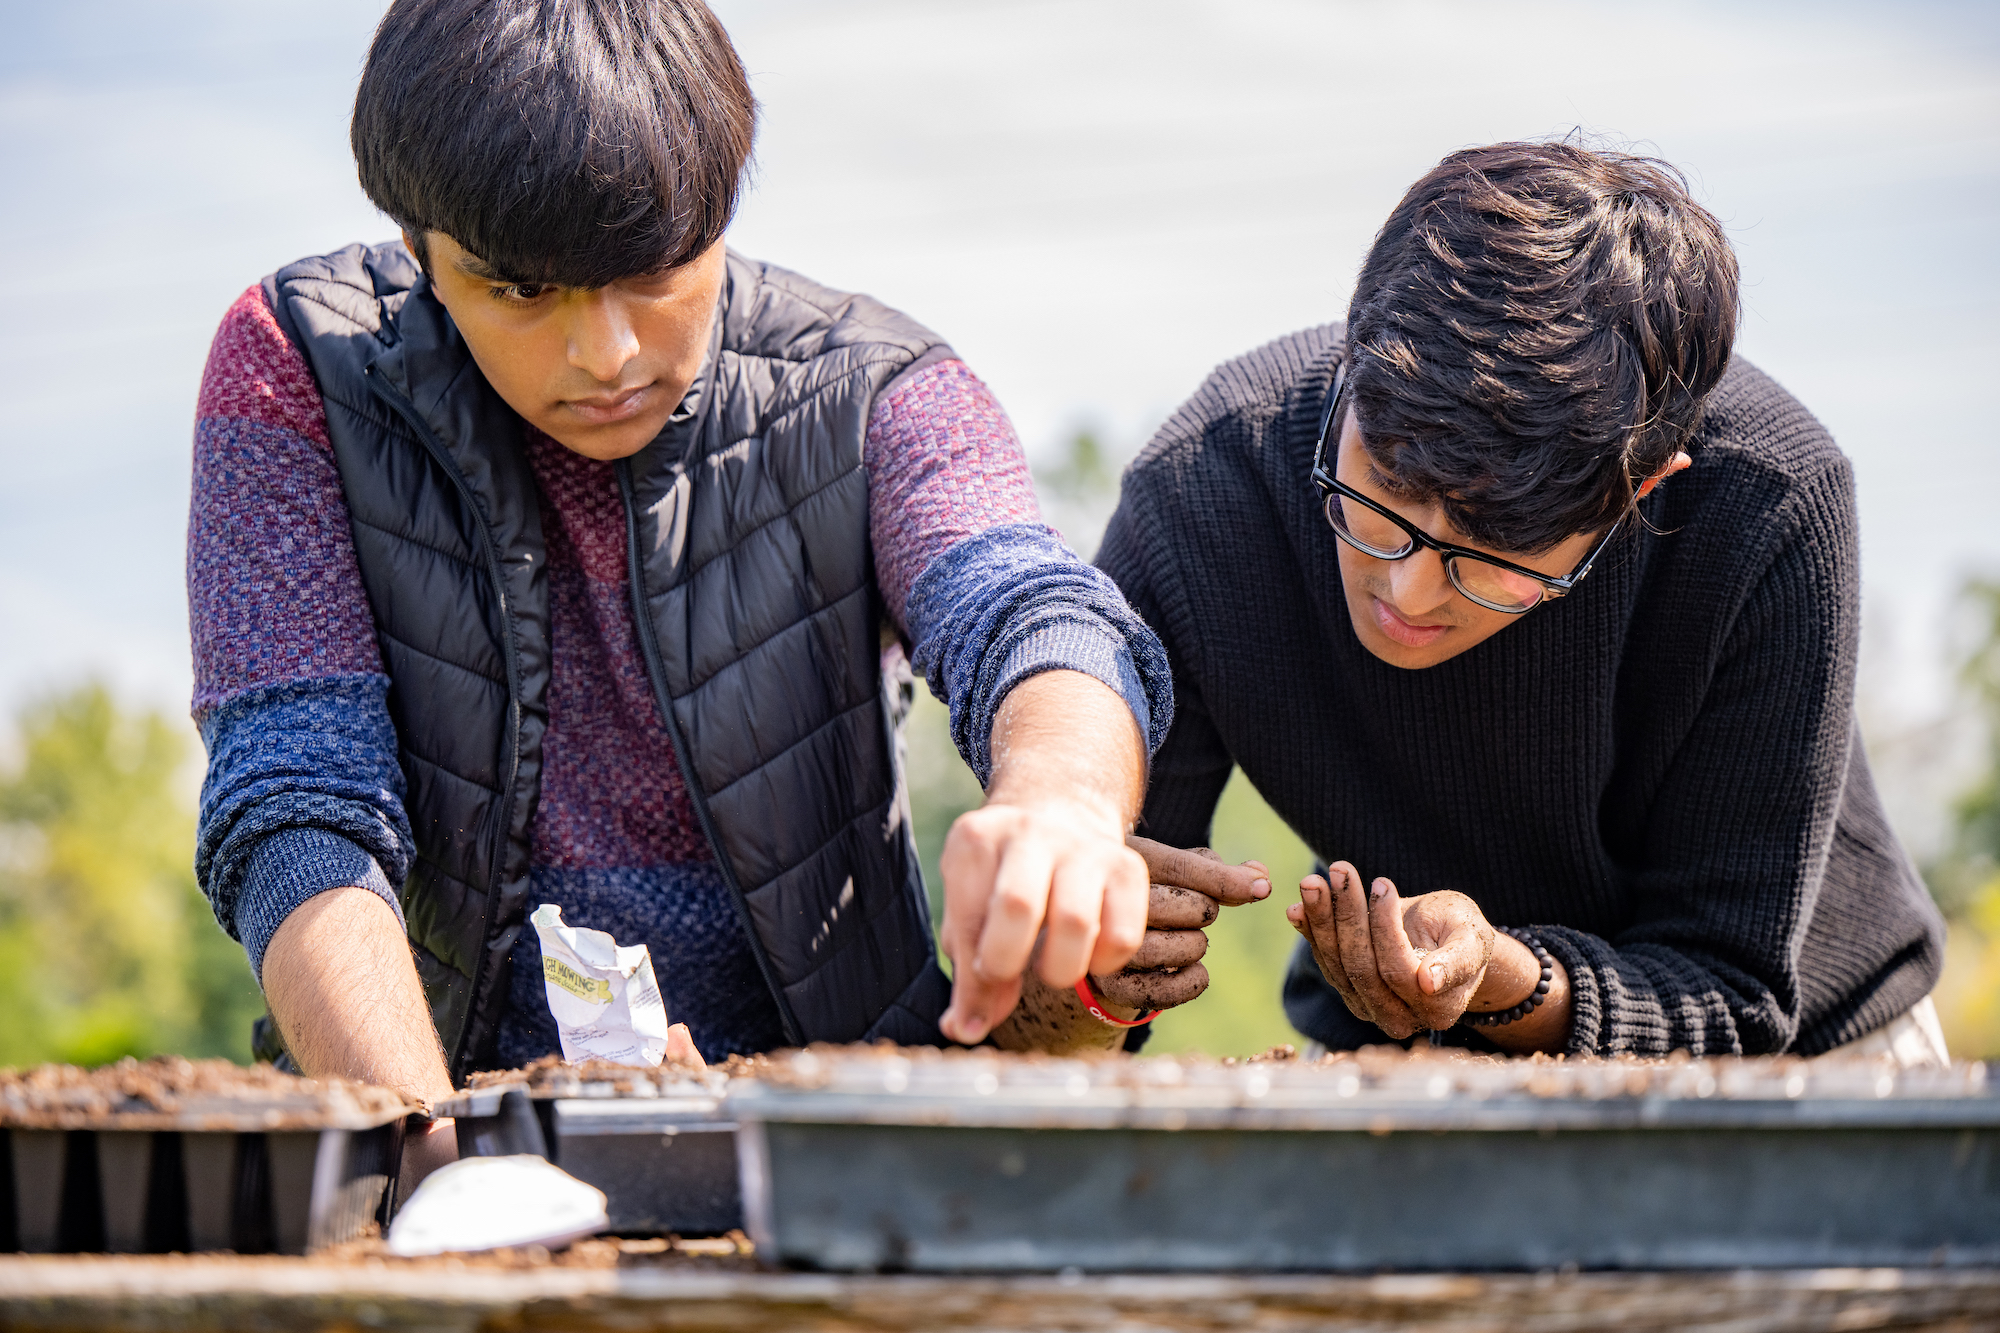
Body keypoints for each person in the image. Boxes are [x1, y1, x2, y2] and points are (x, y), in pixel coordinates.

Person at [188, 0, 1266, 1188]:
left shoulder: (873, 389)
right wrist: (441, 1152)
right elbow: (297, 799)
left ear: (717, 211)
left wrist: (1061, 801)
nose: (604, 354)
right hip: (434, 1149)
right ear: (420, 248)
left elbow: (1029, 608)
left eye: (653, 273)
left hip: (836, 1159)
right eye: (520, 292)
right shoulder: (297, 365)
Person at [1101, 141, 1949, 1063]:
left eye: (1496, 554)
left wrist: (1509, 978)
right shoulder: (1208, 488)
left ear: (1641, 491)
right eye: (1380, 493)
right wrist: (1097, 951)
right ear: (1352, 366)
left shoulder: (1770, 504)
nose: (1408, 589)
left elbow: (1734, 988)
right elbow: (1099, 903)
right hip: (1403, 1051)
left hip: (1808, 1064)